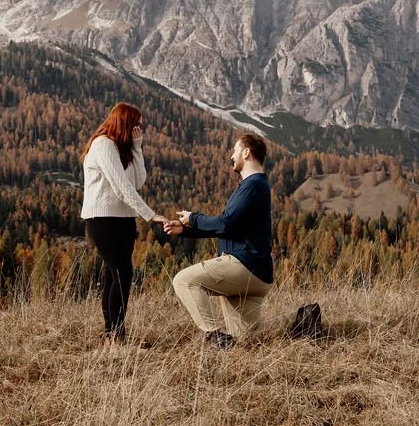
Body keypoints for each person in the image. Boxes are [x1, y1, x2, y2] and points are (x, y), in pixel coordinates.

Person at [164, 132, 322, 349]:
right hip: (257, 272)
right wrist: (185, 230)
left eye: (235, 150)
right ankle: (304, 320)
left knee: (184, 280)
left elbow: (225, 224)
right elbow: (228, 228)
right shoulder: (256, 186)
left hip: (244, 265)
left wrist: (193, 218)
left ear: (247, 153)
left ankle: (215, 338)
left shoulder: (253, 186)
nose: (232, 155)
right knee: (248, 336)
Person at [81, 102, 166, 343]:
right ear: (124, 124)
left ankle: (112, 334)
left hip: (124, 219)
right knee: (122, 273)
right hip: (103, 219)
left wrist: (138, 149)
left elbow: (138, 182)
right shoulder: (103, 145)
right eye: (135, 126)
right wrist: (150, 214)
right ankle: (116, 336)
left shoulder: (122, 148)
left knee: (114, 274)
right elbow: (121, 188)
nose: (138, 130)